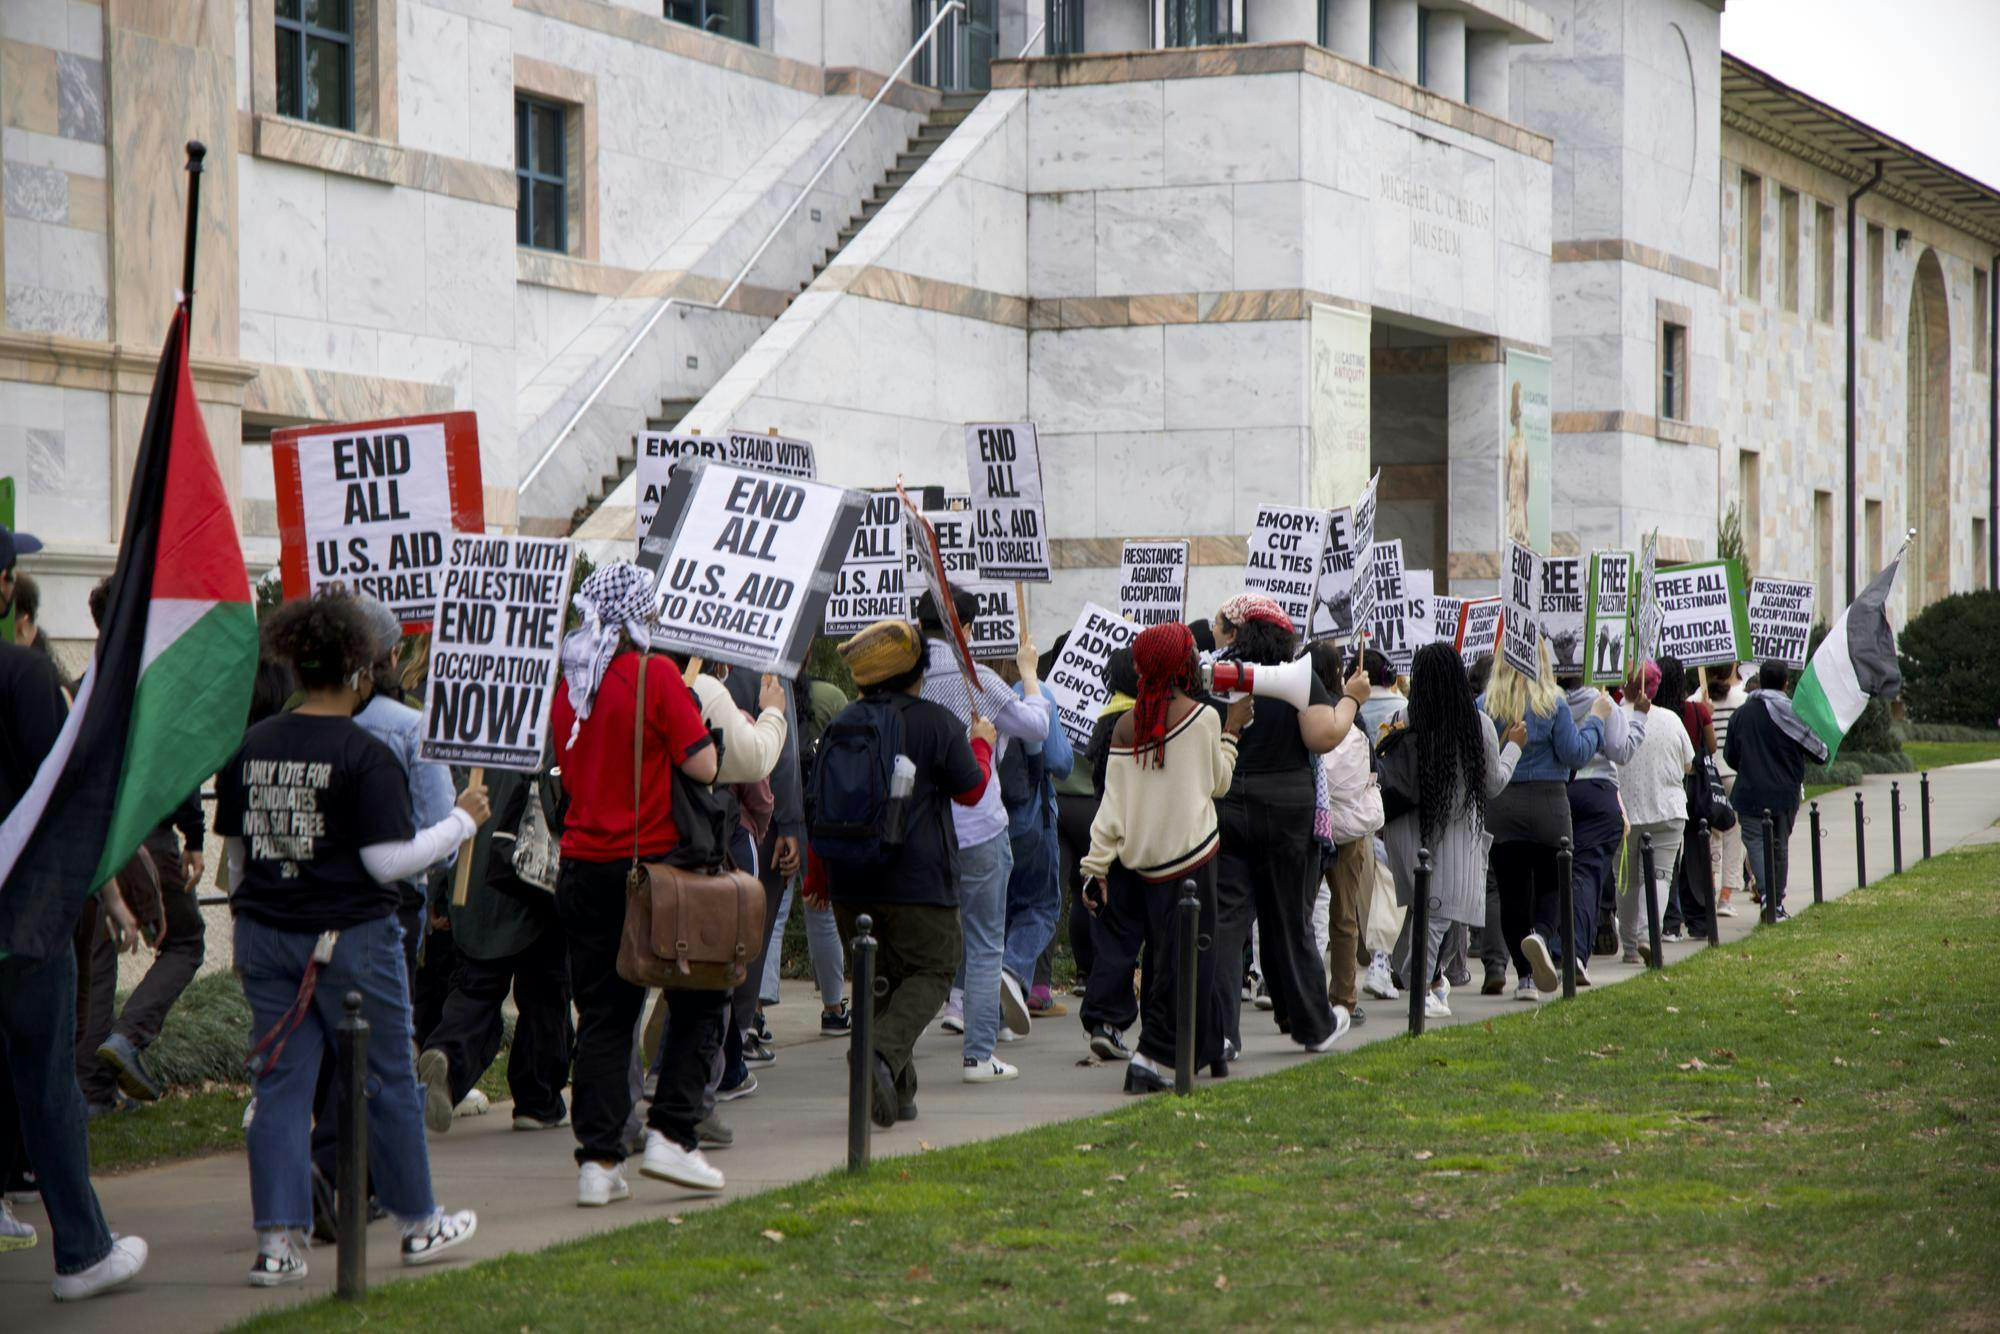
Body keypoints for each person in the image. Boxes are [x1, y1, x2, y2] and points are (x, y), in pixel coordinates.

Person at [215, 589, 484, 1285]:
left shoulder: (252, 746)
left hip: (268, 937)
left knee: (279, 1088)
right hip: (353, 939)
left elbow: (238, 860)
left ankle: (277, 1244)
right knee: (389, 1078)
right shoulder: (364, 755)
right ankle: (419, 1221)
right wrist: (460, 823)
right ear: (362, 669)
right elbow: (386, 862)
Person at [0, 522, 153, 1298]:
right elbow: (61, 801)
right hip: (21, 924)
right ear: (2, 587)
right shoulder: (22, 676)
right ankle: (84, 1249)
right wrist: (113, 894)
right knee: (45, 1081)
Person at [545, 562, 724, 1208]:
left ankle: (597, 1162)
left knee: (603, 1016)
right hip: (650, 873)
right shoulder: (657, 676)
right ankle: (674, 1132)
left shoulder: (573, 684)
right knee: (703, 992)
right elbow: (703, 765)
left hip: (581, 867)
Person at [809, 618, 994, 1125]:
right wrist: (982, 742)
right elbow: (971, 789)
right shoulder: (936, 722)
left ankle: (898, 1090)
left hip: (850, 881)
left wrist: (819, 876)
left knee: (881, 981)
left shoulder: (841, 721)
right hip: (919, 882)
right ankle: (878, 1054)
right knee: (933, 972)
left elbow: (818, 801)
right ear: (916, 671)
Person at [1078, 623, 1247, 1092]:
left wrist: (1095, 867)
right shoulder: (1205, 718)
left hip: (1142, 867)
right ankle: (1150, 1057)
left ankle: (1209, 1047)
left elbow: (1112, 808)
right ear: (1183, 664)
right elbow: (1219, 784)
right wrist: (1232, 733)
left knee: (1173, 959)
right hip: (1194, 862)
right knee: (1189, 964)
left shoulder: (1124, 726)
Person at [1210, 594, 1365, 1062]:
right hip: (1286, 809)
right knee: (1288, 921)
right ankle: (1312, 1024)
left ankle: (1218, 1033)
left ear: (1238, 630)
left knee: (1226, 921)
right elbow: (1323, 734)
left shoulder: (1217, 676)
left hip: (1229, 803)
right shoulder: (1296, 675)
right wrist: (1352, 701)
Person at [74, 577, 209, 1110]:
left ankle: (92, 1087)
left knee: (100, 951)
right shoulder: (156, 685)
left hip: (96, 837)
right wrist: (194, 836)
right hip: (148, 836)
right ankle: (127, 1038)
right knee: (186, 940)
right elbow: (181, 763)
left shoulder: (86, 685)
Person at [916, 588, 1050, 1083]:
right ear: (965, 629)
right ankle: (978, 1054)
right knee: (985, 940)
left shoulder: (905, 680)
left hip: (922, 830)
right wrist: (1030, 676)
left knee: (918, 943)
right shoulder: (978, 680)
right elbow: (1036, 727)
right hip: (977, 828)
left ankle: (889, 1048)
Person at [416, 766, 574, 1135]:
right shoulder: (547, 723)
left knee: (475, 990)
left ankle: (446, 1056)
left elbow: (444, 806)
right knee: (545, 994)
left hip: (471, 880)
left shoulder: (476, 736)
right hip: (533, 877)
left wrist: (439, 890)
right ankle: (538, 1100)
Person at [1382, 643, 1524, 1017]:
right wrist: (1514, 748)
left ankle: (1421, 977)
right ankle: (1422, 989)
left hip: (1407, 831)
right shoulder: (1477, 725)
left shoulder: (1402, 716)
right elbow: (1493, 784)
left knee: (1425, 911)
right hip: (1453, 837)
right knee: (1440, 914)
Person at [1482, 640, 1607, 1001]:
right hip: (1550, 805)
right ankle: (1540, 933)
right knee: (1554, 883)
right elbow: (1576, 753)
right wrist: (1596, 721)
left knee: (1511, 892)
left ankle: (1524, 979)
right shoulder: (1554, 703)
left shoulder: (1486, 706)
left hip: (1503, 805)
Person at [758, 668, 851, 1035]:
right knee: (821, 911)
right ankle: (832, 1008)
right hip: (819, 821)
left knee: (772, 914)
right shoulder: (831, 697)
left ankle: (756, 1013)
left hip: (774, 818)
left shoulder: (763, 695)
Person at [993, 654, 1074, 1019]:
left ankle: (979, 1002)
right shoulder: (1033, 693)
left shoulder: (972, 690)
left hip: (981, 820)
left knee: (996, 911)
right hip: (1030, 816)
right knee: (1041, 906)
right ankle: (1010, 970)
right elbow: (1060, 762)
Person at [1308, 644, 1383, 1021]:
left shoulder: (1301, 713)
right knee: (1344, 916)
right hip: (1348, 832)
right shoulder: (1350, 714)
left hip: (1308, 826)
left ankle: (1300, 996)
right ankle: (1343, 997)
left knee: (1302, 913)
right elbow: (1368, 769)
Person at [1558, 667, 1646, 983]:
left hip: (1559, 791)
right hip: (1597, 792)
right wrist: (1638, 719)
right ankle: (1576, 952)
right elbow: (1620, 751)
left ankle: (1560, 943)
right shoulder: (1603, 702)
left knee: (1561, 874)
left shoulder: (1548, 702)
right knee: (1586, 874)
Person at [1725, 661, 1827, 921]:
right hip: (1784, 792)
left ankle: (1769, 898)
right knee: (1779, 845)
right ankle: (1776, 902)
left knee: (1756, 843)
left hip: (1749, 791)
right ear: (1785, 683)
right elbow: (1818, 752)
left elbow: (1729, 755)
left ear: (1760, 680)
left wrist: (1749, 768)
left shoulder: (1741, 714)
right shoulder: (1794, 713)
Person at [1615, 660, 1694, 961]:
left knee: (1626, 879)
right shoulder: (1672, 720)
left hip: (1626, 812)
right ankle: (1649, 935)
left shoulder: (1613, 716)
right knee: (1659, 876)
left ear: (1624, 685)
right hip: (1668, 810)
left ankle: (1631, 946)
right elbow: (1688, 763)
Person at [1657, 658, 1716, 941]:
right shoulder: (1696, 710)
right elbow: (1712, 746)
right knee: (1695, 854)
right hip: (1694, 790)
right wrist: (1708, 716)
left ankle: (1670, 920)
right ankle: (1699, 918)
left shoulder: (1654, 713)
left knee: (1668, 859)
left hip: (1665, 787)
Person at [1705, 663, 1748, 916]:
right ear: (1733, 667)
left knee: (1710, 834)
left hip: (1708, 776)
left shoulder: (1697, 699)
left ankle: (1709, 885)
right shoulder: (1743, 700)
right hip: (1733, 773)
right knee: (1733, 833)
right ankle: (1726, 896)